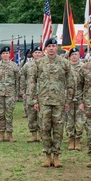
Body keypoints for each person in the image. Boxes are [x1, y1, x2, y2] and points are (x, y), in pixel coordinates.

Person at [27, 38, 74, 168]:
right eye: (49, 46)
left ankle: (57, 156)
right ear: (45, 48)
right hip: (44, 101)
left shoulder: (64, 63)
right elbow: (32, 82)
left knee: (58, 129)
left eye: (54, 46)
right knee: (45, 128)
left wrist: (68, 100)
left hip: (59, 101)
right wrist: (35, 100)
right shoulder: (38, 63)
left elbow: (71, 83)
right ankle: (47, 156)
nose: (52, 48)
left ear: (57, 47)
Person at [0, 46, 20, 142]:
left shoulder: (14, 65)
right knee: (0, 114)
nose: (5, 55)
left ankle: (10, 135)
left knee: (9, 114)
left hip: (10, 92)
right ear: (1, 55)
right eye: (3, 53)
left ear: (9, 54)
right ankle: (1, 135)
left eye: (7, 53)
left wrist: (16, 93)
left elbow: (17, 80)